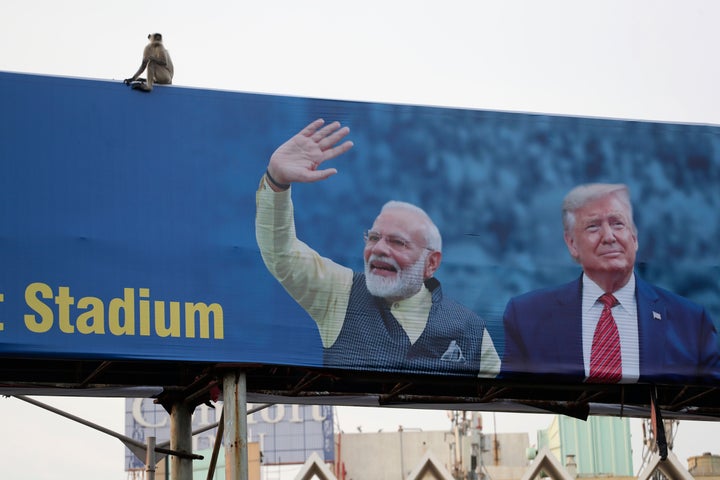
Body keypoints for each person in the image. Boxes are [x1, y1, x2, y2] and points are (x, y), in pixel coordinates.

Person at [255, 119, 500, 377]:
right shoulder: (340, 292)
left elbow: (494, 401)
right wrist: (276, 181)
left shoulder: (472, 330)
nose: (379, 249)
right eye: (373, 238)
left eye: (397, 242)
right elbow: (281, 253)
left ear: (431, 263)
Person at [501, 183, 720, 384]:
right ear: (572, 244)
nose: (609, 237)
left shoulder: (691, 323)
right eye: (593, 227)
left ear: (634, 238)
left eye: (618, 224)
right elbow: (512, 403)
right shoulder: (527, 317)